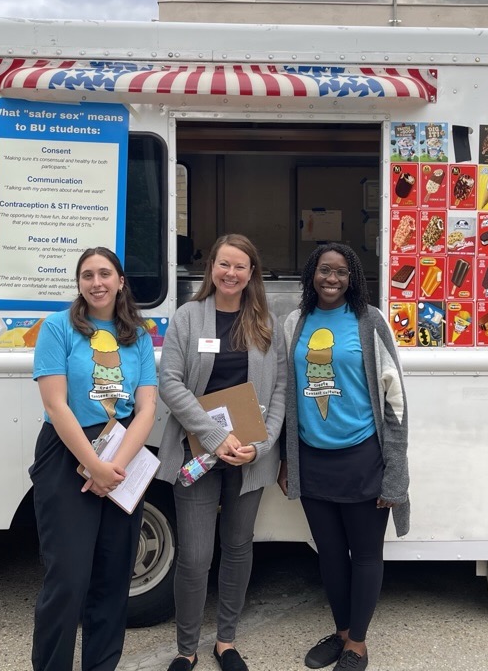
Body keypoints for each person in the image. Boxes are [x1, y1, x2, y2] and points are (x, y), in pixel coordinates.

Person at [157, 234, 287, 671]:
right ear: (211, 267)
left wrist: (261, 446)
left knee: (237, 548)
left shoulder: (266, 323)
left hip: (249, 458)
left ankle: (226, 643)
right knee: (194, 557)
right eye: (223, 264)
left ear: (252, 274)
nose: (231, 274)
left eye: (240, 267)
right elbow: (170, 383)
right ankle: (186, 648)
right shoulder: (188, 318)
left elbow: (281, 390)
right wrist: (214, 437)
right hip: (197, 456)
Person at [279, 243, 410, 671]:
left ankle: (357, 643)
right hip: (313, 460)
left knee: (366, 554)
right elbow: (284, 394)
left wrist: (396, 470)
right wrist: (285, 458)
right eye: (323, 270)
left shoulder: (370, 323)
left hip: (363, 458)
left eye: (340, 272)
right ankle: (339, 633)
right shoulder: (294, 323)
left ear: (352, 277)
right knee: (330, 555)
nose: (331, 279)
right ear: (311, 275)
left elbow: (395, 401)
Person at [30, 247, 158, 671]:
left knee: (112, 576)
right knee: (68, 578)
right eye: (88, 275)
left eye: (106, 274)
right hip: (68, 452)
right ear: (79, 283)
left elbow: (147, 409)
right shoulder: (57, 328)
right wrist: (95, 466)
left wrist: (115, 466)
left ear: (121, 281)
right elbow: (56, 406)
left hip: (123, 452)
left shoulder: (137, 335)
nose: (97, 282)